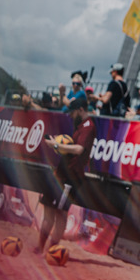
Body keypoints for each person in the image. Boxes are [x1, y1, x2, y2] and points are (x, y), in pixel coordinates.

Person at [36, 96, 96, 255]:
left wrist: (56, 145)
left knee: (60, 214)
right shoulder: (80, 125)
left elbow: (78, 150)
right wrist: (58, 144)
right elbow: (71, 147)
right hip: (61, 173)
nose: (70, 115)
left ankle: (50, 250)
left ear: (81, 110)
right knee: (48, 210)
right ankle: (40, 247)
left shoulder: (88, 127)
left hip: (71, 178)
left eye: (72, 112)